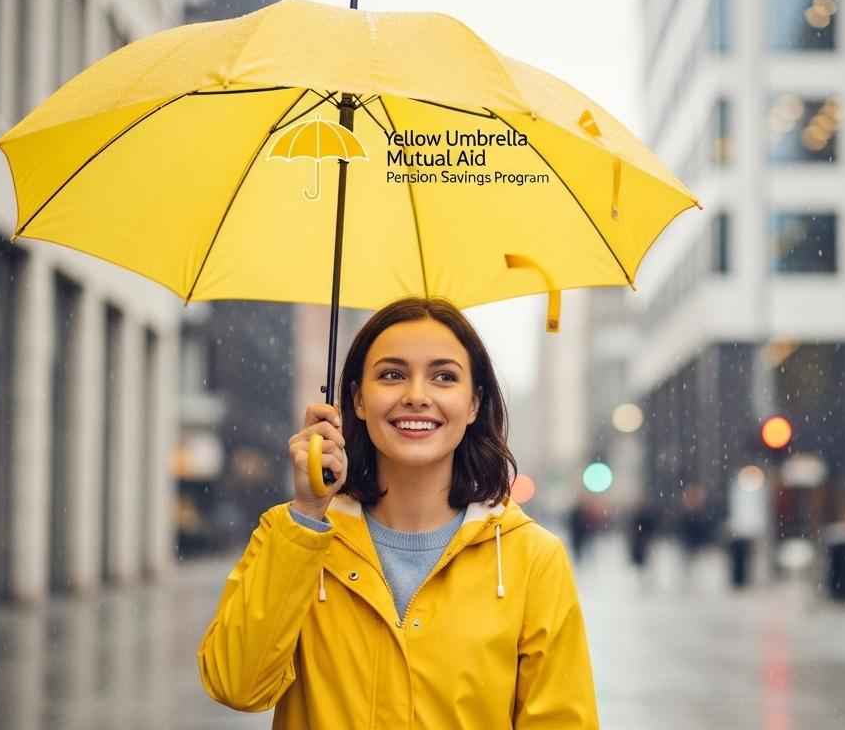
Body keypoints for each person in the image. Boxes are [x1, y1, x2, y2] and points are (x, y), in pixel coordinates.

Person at [197, 297, 598, 728]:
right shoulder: (294, 535)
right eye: (392, 374)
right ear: (358, 398)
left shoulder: (533, 560)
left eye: (444, 377)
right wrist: (309, 514)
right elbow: (235, 685)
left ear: (474, 403)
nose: (416, 396)